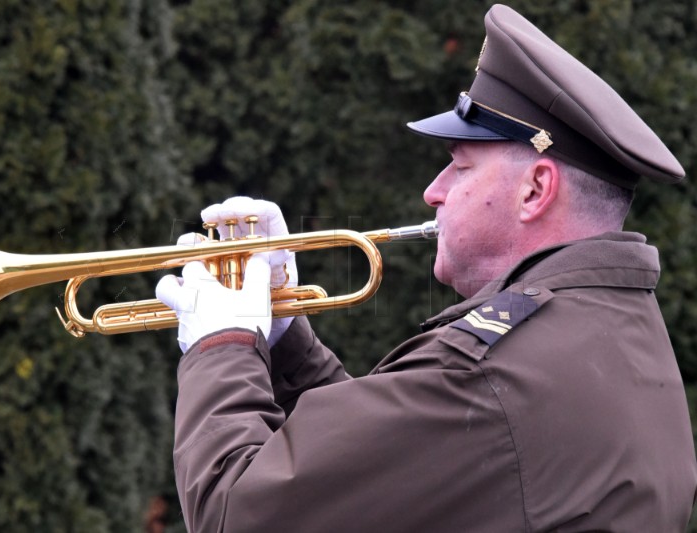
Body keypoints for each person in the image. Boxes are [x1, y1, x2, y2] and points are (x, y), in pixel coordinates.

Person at [156, 5, 697, 532]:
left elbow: (235, 513)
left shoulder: (490, 372)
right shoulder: (617, 330)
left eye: (459, 165)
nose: (433, 192)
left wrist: (220, 344)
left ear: (535, 190)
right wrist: (280, 340)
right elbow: (389, 469)